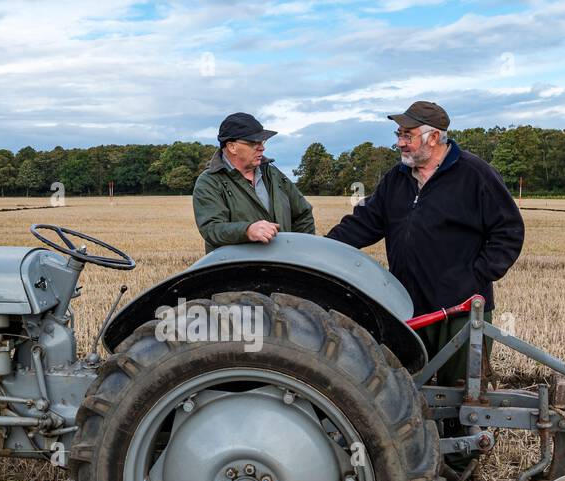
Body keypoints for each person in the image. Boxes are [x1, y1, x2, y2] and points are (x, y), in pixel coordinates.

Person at [326, 101, 524, 387]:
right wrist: (322, 250)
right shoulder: (397, 178)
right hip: (406, 308)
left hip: (460, 312)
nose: (400, 143)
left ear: (433, 138)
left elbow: (509, 230)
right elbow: (365, 222)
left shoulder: (475, 175)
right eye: (399, 135)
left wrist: (474, 277)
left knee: (461, 396)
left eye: (407, 135)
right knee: (406, 392)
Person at [193, 112, 315, 253]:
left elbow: (303, 214)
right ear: (232, 147)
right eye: (253, 143)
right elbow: (212, 228)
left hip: (281, 266)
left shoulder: (273, 174)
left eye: (262, 142)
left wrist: (300, 253)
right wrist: (247, 230)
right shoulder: (210, 181)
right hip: (236, 270)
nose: (262, 147)